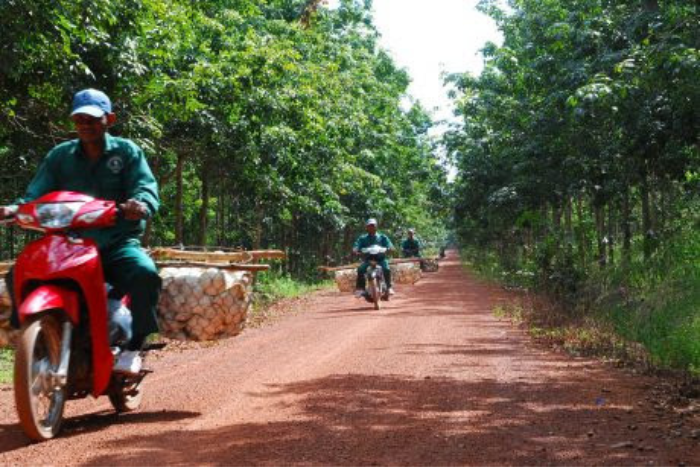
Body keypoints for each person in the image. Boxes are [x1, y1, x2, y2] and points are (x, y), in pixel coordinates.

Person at [0, 88, 160, 375]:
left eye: (92, 118)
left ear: (109, 119)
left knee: (144, 273)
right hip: (68, 244)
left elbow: (145, 187)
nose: (85, 124)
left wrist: (141, 204)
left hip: (115, 242)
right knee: (19, 272)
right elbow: (34, 195)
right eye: (79, 119)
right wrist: (14, 210)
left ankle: (135, 344)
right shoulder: (60, 156)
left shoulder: (127, 152)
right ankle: (30, 336)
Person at [352, 218, 395, 297]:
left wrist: (390, 248)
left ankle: (389, 287)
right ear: (366, 227)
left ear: (376, 227)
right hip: (368, 260)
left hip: (381, 260)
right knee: (360, 269)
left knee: (387, 269)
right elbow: (356, 245)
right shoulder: (362, 238)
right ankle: (360, 288)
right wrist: (355, 250)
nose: (371, 227)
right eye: (369, 226)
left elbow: (390, 245)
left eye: (373, 225)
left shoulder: (382, 237)